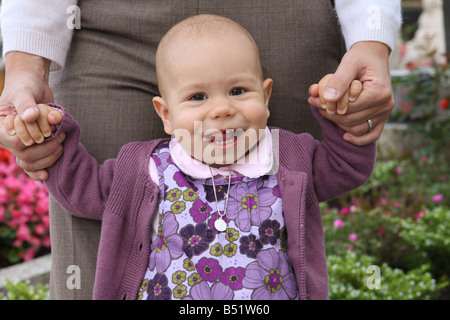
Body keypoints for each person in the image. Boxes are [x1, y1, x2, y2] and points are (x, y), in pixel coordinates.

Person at [0, 0, 401, 299]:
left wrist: (344, 111)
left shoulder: (289, 158)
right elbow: (81, 186)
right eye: (197, 97)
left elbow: (346, 166)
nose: (222, 107)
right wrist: (47, 129)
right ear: (166, 114)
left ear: (266, 95)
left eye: (239, 91)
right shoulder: (144, 168)